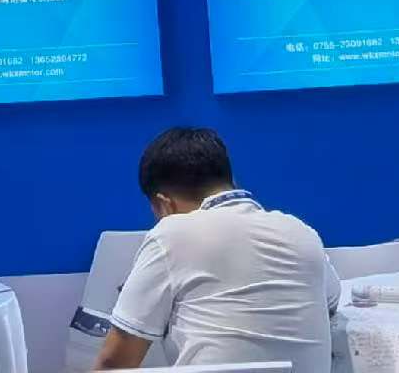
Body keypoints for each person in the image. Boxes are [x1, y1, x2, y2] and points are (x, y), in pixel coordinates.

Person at [98, 127, 338, 370]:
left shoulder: (171, 234)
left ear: (164, 204)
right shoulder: (303, 233)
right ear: (229, 180)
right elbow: (331, 304)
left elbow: (115, 363)